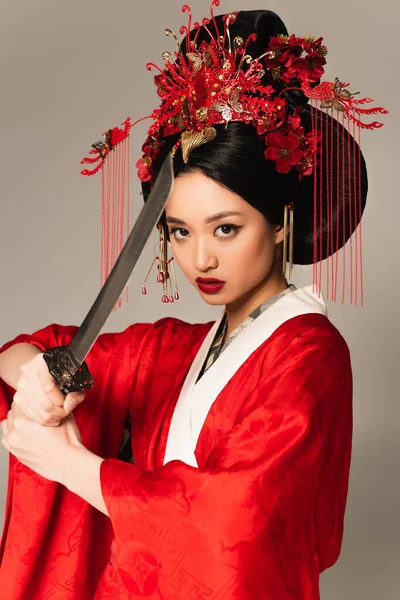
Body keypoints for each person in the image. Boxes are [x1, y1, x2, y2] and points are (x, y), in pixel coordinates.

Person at [0, 3, 386, 599]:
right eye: (179, 231)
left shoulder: (309, 356)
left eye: (225, 228)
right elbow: (36, 351)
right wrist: (41, 380)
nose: (199, 258)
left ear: (282, 221)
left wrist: (68, 463)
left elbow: (235, 525)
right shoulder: (175, 352)